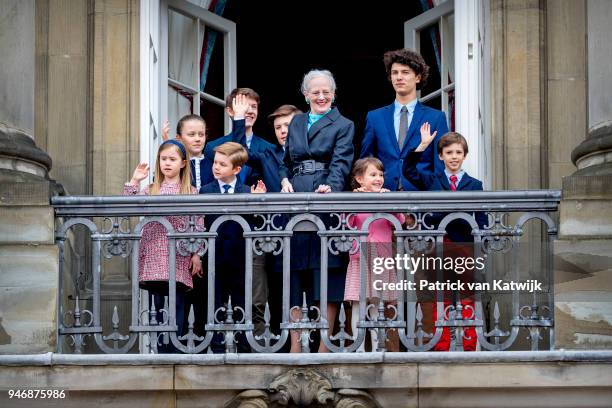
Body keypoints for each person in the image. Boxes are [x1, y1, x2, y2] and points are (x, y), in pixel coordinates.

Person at [279, 69, 354, 352]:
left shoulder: (343, 124)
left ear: (334, 94)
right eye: (316, 92)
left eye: (327, 92)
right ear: (306, 94)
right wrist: (284, 179)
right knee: (295, 272)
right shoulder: (297, 121)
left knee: (328, 273)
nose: (321, 96)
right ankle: (295, 347)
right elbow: (283, 161)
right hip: (295, 200)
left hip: (325, 202)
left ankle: (324, 345)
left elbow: (342, 160)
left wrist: (331, 187)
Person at [403, 127, 487, 351]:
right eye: (449, 153)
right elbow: (408, 170)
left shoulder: (475, 185)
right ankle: (440, 344)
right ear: (441, 156)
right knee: (440, 296)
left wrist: (483, 244)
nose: (454, 157)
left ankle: (468, 345)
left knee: (466, 296)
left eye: (458, 152)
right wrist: (422, 146)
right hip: (436, 247)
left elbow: (480, 217)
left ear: (465, 156)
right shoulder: (431, 179)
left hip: (464, 247)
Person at [123, 140, 203, 352]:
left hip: (179, 254)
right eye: (163, 159)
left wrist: (197, 253)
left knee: (177, 303)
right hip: (153, 253)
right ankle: (159, 348)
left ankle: (175, 348)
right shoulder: (151, 190)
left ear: (183, 163)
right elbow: (126, 207)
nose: (167, 163)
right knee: (157, 304)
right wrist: (134, 181)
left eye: (172, 159)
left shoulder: (191, 192)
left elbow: (198, 224)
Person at [199, 142, 265, 352]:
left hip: (240, 259)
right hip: (213, 258)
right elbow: (201, 224)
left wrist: (256, 203)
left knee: (242, 303)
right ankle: (216, 346)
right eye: (215, 163)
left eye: (222, 164)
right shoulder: (205, 191)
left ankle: (244, 346)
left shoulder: (246, 191)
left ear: (237, 169)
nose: (216, 167)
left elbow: (256, 224)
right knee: (214, 303)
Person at [360, 48, 449, 191]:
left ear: (418, 77)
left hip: (421, 197)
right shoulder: (374, 117)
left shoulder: (436, 118)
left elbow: (440, 164)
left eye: (405, 72)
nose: (398, 77)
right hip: (383, 196)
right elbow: (365, 161)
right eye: (394, 73)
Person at [344, 158, 404, 352]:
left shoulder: (386, 197)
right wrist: (354, 200)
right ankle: (359, 348)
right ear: (360, 179)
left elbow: (399, 220)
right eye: (373, 175)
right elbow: (347, 222)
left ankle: (378, 345)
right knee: (358, 305)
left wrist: (389, 201)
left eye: (380, 175)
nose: (378, 178)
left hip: (381, 259)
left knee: (377, 306)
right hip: (360, 258)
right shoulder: (354, 199)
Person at [205, 88, 275, 188]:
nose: (250, 111)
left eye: (254, 107)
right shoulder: (213, 147)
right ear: (230, 111)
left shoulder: (269, 148)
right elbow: (208, 185)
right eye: (245, 106)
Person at [229, 97, 301, 192]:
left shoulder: (315, 152)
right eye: (278, 127)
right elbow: (240, 152)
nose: (283, 131)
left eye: (287, 125)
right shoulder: (268, 156)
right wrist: (239, 117)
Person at [161, 114, 214, 191]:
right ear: (178, 138)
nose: (197, 139)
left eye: (201, 134)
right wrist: (169, 150)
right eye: (191, 134)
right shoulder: (176, 164)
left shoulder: (214, 163)